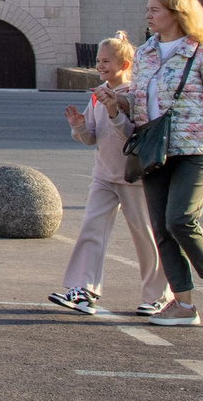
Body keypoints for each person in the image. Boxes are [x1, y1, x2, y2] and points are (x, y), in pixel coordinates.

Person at [132, 0, 203, 327]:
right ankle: (183, 305)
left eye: (155, 10)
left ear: (177, 14)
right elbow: (138, 98)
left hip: (197, 148)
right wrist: (116, 105)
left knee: (180, 219)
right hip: (154, 148)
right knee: (162, 229)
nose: (148, 15)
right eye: (148, 9)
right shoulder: (145, 53)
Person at [50, 34, 167, 317]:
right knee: (91, 227)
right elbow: (91, 137)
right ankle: (83, 290)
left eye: (106, 61)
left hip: (134, 176)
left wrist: (114, 109)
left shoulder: (136, 93)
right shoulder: (97, 92)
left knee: (145, 235)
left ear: (124, 63)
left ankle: (158, 296)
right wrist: (78, 126)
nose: (100, 66)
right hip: (103, 175)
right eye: (98, 61)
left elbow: (130, 135)